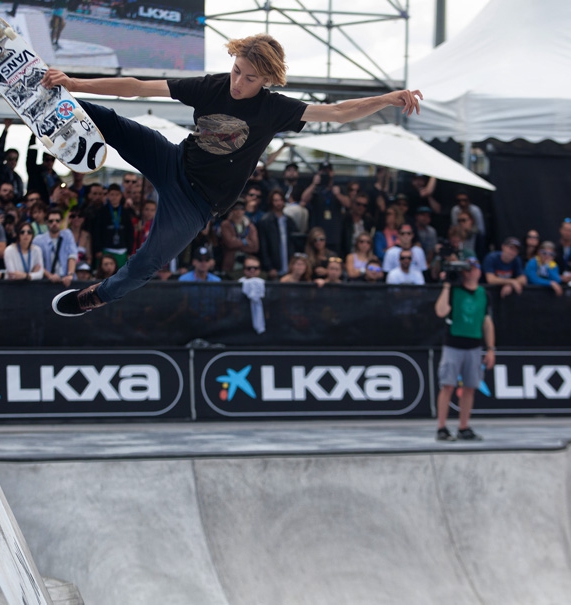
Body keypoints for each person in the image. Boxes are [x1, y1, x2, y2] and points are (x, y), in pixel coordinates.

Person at [44, 32, 422, 315]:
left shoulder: (276, 109)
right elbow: (140, 88)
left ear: (267, 81)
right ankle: (46, 96)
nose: (238, 84)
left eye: (250, 79)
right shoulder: (212, 86)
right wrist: (75, 84)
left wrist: (387, 99)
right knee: (112, 121)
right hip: (174, 161)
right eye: (237, 71)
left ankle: (95, 297)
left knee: (146, 264)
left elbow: (338, 112)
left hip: (195, 206)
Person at [434, 257, 495, 442]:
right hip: (453, 343)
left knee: (470, 388)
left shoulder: (484, 294)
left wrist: (491, 348)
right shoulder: (454, 291)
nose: (470, 272)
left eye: (473, 268)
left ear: (479, 271)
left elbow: (487, 322)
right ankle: (442, 427)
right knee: (447, 386)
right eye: (467, 269)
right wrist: (446, 285)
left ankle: (463, 426)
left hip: (474, 346)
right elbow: (441, 311)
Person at [257, 188, 298, 280]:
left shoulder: (289, 221)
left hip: (289, 266)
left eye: (280, 200)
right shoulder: (265, 221)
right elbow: (263, 246)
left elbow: (295, 243)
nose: (278, 203)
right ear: (271, 202)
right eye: (275, 200)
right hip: (273, 267)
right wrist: (269, 267)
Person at [35, 208, 78, 286]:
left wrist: (70, 275)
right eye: (51, 221)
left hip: (67, 280)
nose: (54, 223)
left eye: (57, 221)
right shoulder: (38, 240)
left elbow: (72, 256)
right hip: (46, 282)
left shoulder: (67, 235)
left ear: (61, 222)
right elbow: (37, 263)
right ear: (47, 222)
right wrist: (50, 276)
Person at [220, 200, 259, 277]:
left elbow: (255, 247)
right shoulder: (226, 224)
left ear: (244, 210)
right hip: (230, 264)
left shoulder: (250, 226)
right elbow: (230, 244)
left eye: (241, 208)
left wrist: (236, 242)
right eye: (236, 208)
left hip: (247, 265)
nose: (238, 211)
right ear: (231, 210)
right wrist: (245, 241)